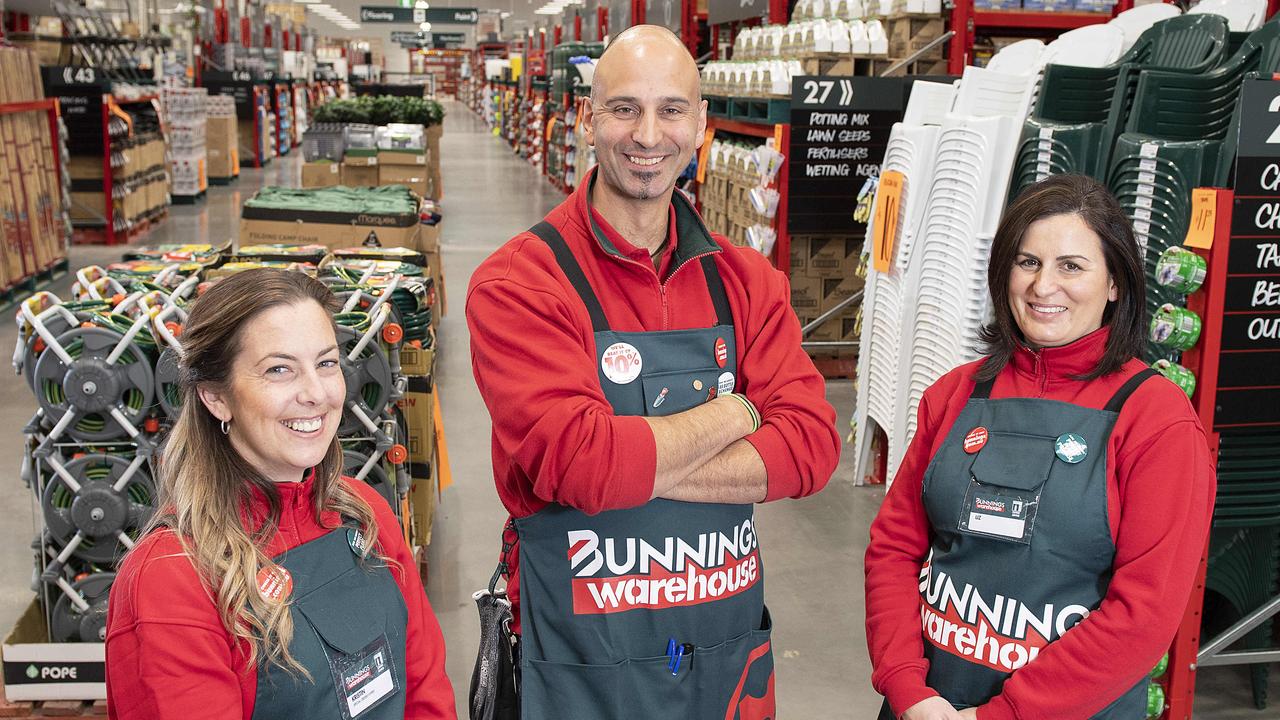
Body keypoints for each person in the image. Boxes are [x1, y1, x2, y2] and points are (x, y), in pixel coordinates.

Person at [466, 25, 840, 719]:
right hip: (581, 660)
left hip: (723, 655)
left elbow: (814, 448)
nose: (648, 134)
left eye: (671, 110)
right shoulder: (521, 282)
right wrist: (742, 412)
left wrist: (623, 461)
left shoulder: (747, 280)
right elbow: (579, 466)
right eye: (623, 109)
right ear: (586, 120)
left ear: (699, 125)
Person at [864, 174, 1216, 719]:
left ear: (1116, 282)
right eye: (1027, 262)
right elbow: (892, 548)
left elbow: (1143, 614)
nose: (1042, 286)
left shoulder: (1157, 421)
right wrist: (909, 689)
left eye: (1071, 266)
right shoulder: (956, 394)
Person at [105, 269, 456, 720]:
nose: (315, 393)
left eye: (326, 363)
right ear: (216, 397)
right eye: (279, 369)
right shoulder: (172, 579)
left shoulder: (365, 513)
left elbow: (426, 690)